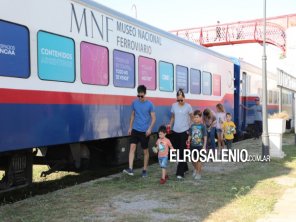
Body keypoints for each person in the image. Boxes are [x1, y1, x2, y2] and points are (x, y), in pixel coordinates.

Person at [123, 85, 156, 177]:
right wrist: (130, 127)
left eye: (142, 96)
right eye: (139, 96)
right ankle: (130, 169)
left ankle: (144, 170)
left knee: (145, 151)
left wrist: (150, 129)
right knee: (132, 148)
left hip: (144, 131)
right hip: (135, 129)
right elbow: (133, 115)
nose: (140, 98)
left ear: (145, 94)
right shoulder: (134, 103)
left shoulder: (150, 104)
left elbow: (153, 118)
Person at [168, 89, 193, 179]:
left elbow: (192, 118)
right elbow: (173, 117)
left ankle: (180, 173)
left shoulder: (188, 107)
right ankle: (185, 167)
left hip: (184, 131)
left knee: (182, 152)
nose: (180, 101)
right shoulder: (174, 106)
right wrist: (170, 125)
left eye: (181, 100)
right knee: (178, 152)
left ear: (184, 98)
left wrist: (191, 129)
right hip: (175, 131)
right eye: (178, 100)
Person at [187, 110, 207, 180]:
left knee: (199, 160)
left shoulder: (202, 126)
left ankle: (198, 173)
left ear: (200, 118)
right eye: (194, 117)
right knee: (193, 159)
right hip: (193, 145)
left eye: (197, 117)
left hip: (200, 145)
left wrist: (204, 146)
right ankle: (196, 169)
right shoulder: (192, 126)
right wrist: (188, 140)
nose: (195, 119)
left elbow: (205, 136)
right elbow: (190, 135)